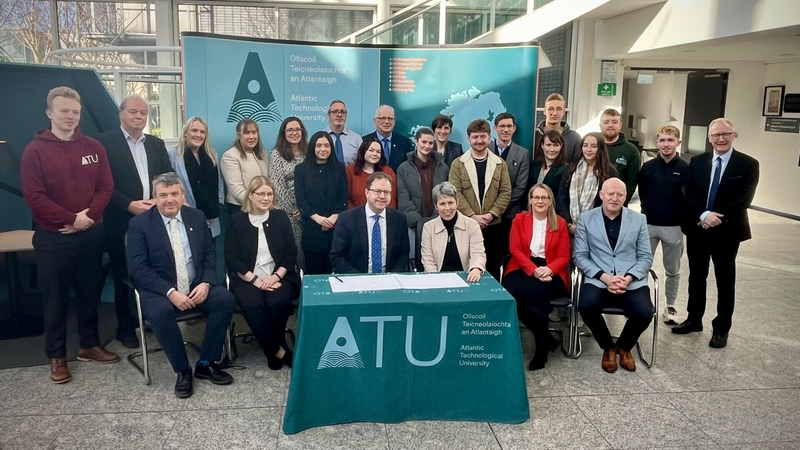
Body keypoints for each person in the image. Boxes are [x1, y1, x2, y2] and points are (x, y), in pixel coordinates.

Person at [21, 86, 120, 384]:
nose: (70, 116)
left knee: (89, 293)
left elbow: (106, 187)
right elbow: (34, 197)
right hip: (54, 239)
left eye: (75, 112)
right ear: (50, 113)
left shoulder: (93, 147)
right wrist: (70, 220)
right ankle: (57, 356)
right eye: (64, 111)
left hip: (90, 234)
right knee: (55, 299)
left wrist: (86, 219)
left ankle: (89, 345)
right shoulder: (34, 151)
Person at [127, 172, 236, 399]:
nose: (170, 200)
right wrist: (170, 292)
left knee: (225, 299)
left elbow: (208, 256)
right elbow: (139, 268)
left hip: (196, 284)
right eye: (163, 195)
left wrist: (206, 282)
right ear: (154, 197)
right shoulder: (139, 224)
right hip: (160, 289)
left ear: (182, 195)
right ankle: (183, 370)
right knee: (160, 312)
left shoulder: (196, 217)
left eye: (174, 194)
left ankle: (206, 363)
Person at [672, 118, 759, 349]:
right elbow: (688, 191)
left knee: (725, 281)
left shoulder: (748, 164)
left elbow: (744, 198)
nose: (720, 139)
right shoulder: (698, 161)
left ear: (734, 135)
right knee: (696, 277)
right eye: (715, 135)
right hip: (698, 228)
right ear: (709, 138)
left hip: (728, 231)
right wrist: (703, 214)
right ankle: (694, 319)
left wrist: (716, 216)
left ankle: (721, 328)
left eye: (725, 134)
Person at [98, 95, 173, 349]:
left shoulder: (156, 143)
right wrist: (129, 205)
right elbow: (103, 184)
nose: (139, 117)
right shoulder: (105, 143)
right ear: (121, 114)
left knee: (153, 269)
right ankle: (125, 327)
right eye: (133, 112)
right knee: (124, 273)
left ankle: (150, 318)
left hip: (154, 217)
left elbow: (166, 177)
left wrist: (157, 200)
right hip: (121, 219)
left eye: (143, 113)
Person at [573, 178, 653, 373]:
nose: (615, 198)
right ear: (602, 195)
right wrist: (605, 277)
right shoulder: (586, 218)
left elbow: (645, 256)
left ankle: (624, 346)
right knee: (586, 305)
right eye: (610, 194)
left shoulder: (639, 219)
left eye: (620, 194)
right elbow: (580, 256)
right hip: (599, 278)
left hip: (630, 280)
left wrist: (629, 278)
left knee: (644, 313)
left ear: (626, 197)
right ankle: (608, 346)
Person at [224, 176, 299, 370]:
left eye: (269, 194)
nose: (266, 198)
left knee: (279, 302)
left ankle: (273, 347)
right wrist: (256, 281)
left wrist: (275, 276)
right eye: (261, 194)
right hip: (246, 279)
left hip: (278, 275)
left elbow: (291, 253)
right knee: (252, 304)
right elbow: (232, 258)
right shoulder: (236, 221)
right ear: (251, 195)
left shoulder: (280, 217)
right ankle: (278, 350)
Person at [502, 184, 571, 371]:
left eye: (544, 197)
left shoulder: (560, 223)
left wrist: (547, 270)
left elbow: (564, 257)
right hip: (523, 266)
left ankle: (542, 349)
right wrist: (534, 270)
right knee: (510, 295)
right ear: (530, 200)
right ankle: (546, 339)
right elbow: (514, 249)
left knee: (536, 297)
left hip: (552, 271)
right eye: (536, 197)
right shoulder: (519, 220)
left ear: (550, 201)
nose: (540, 201)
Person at [638, 125, 689, 325]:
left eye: (670, 140)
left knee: (672, 269)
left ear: (678, 142)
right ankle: (641, 303)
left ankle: (670, 305)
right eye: (662, 140)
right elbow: (643, 194)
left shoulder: (685, 169)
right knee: (641, 266)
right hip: (649, 224)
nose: (666, 144)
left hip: (674, 227)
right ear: (657, 142)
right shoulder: (648, 168)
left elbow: (688, 197)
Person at [449, 119, 512, 280]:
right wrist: (473, 216)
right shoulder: (458, 164)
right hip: (465, 225)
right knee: (466, 268)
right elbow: (455, 193)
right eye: (475, 137)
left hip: (494, 227)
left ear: (489, 138)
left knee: (492, 268)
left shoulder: (500, 164)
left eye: (483, 137)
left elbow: (505, 192)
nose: (479, 141)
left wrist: (491, 214)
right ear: (468, 138)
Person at [330, 172, 410, 273]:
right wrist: (360, 279)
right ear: (367, 192)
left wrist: (391, 277)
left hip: (389, 279)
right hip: (356, 279)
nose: (382, 196)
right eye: (377, 191)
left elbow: (403, 254)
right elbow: (337, 256)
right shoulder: (346, 219)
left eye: (386, 192)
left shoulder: (399, 219)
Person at [397, 127, 450, 270]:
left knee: (436, 262)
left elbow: (444, 195)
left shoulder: (443, 167)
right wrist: (418, 221)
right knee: (415, 262)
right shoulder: (403, 168)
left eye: (430, 143)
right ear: (416, 142)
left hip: (437, 223)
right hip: (413, 225)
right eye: (423, 142)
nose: (427, 146)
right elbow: (403, 197)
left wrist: (435, 219)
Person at [295, 131, 347, 274]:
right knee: (314, 273)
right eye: (318, 146)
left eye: (326, 145)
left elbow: (343, 197)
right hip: (312, 228)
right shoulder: (301, 170)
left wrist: (332, 219)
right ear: (312, 147)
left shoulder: (340, 168)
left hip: (335, 228)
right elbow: (301, 199)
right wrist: (318, 218)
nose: (323, 149)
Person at [168, 117, 224, 238]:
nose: (198, 135)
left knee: (210, 255)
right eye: (194, 130)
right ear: (185, 133)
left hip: (211, 219)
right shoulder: (173, 155)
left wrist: (214, 209)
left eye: (202, 132)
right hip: (186, 216)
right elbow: (171, 188)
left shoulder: (212, 155)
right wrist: (194, 215)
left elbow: (218, 185)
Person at [488, 112, 530, 269]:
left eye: (509, 126)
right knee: (489, 256)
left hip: (510, 215)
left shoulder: (523, 153)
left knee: (508, 255)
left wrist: (499, 207)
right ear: (495, 128)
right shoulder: (485, 149)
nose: (506, 129)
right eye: (502, 126)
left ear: (514, 129)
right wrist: (491, 210)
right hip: (487, 216)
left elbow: (520, 187)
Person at [556, 132, 619, 237]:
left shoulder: (610, 172)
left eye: (594, 146)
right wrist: (568, 223)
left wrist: (587, 226)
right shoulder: (571, 168)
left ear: (601, 148)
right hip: (569, 227)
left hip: (596, 229)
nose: (588, 150)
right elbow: (562, 196)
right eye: (585, 145)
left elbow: (609, 202)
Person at [420, 181, 485, 281]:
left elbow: (478, 253)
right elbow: (428, 260)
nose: (447, 208)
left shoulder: (472, 225)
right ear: (436, 206)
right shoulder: (428, 228)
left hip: (466, 277)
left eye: (450, 203)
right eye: (442, 204)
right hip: (437, 278)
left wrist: (475, 269)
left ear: (457, 202)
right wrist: (435, 279)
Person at [270, 116, 308, 271]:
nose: (294, 132)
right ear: (283, 133)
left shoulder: (309, 152)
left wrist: (305, 210)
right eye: (290, 130)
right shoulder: (276, 154)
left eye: (297, 129)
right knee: (295, 250)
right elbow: (277, 186)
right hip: (289, 213)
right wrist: (294, 211)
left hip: (309, 211)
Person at [220, 118, 270, 215]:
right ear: (239, 135)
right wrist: (257, 203)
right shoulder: (230, 156)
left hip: (263, 207)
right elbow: (236, 189)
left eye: (254, 132)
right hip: (240, 208)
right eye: (247, 133)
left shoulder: (263, 154)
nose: (251, 136)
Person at [600, 108, 640, 205]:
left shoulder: (631, 151)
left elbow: (632, 183)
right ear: (600, 125)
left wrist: (619, 204)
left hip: (617, 205)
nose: (610, 125)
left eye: (614, 122)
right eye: (606, 122)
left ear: (620, 125)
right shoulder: (592, 146)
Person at [345, 138, 397, 209]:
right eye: (371, 150)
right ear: (363, 151)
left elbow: (392, 199)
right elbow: (345, 198)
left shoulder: (388, 172)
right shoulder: (350, 170)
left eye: (378, 152)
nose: (375, 154)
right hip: (355, 216)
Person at [526, 129, 567, 211]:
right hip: (530, 212)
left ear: (561, 146)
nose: (552, 149)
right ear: (542, 145)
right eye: (548, 145)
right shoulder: (533, 165)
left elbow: (563, 198)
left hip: (552, 214)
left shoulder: (565, 169)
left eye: (556, 145)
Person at [534, 93, 582, 163]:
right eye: (551, 109)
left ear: (563, 112)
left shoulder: (574, 138)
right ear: (544, 111)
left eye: (559, 109)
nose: (555, 113)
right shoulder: (535, 136)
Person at [362, 105, 412, 172]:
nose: (387, 122)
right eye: (383, 118)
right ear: (375, 121)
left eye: (390, 119)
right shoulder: (364, 141)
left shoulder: (404, 142)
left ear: (394, 122)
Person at [325, 99, 362, 165]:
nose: (339, 115)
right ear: (328, 115)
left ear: (346, 116)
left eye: (342, 112)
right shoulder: (320, 138)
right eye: (335, 111)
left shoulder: (356, 139)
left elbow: (361, 165)